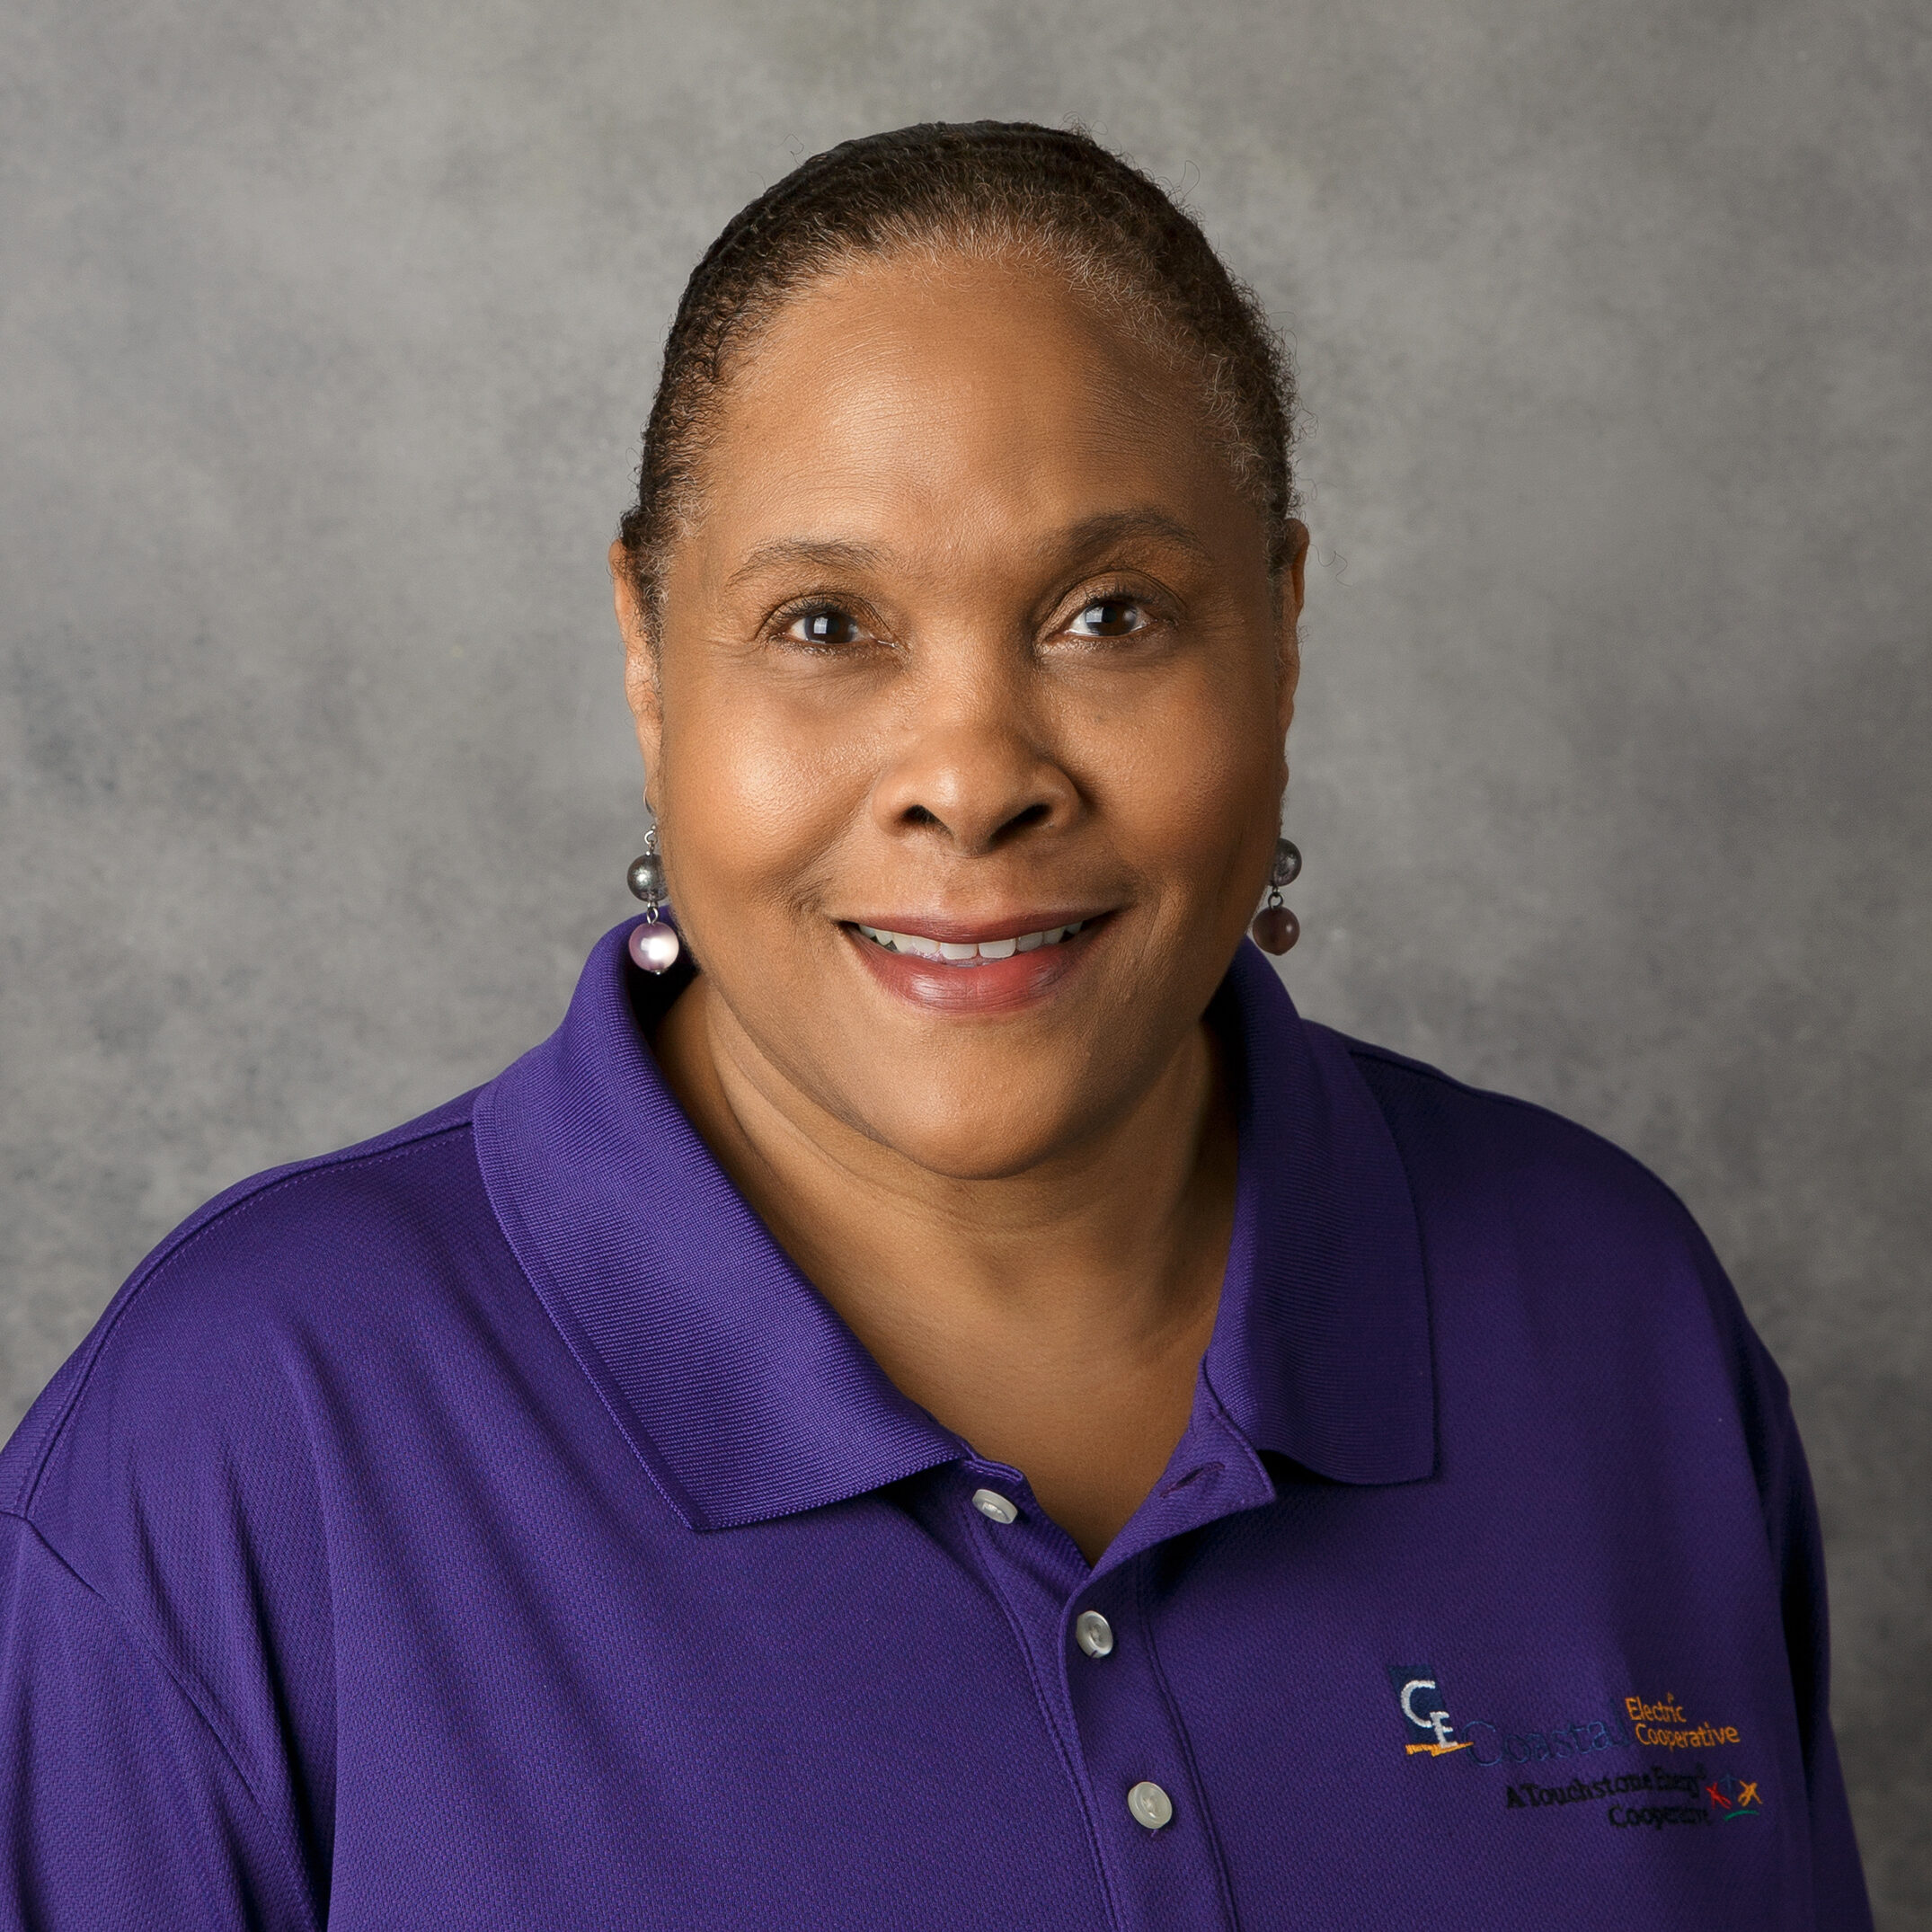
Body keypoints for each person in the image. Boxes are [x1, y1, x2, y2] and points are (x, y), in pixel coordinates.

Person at [0, 122, 1871, 1930]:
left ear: (1283, 632)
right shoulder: (238, 1440)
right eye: (824, 625)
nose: (972, 781)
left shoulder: (1610, 1313)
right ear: (649, 657)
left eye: (1109, 612)